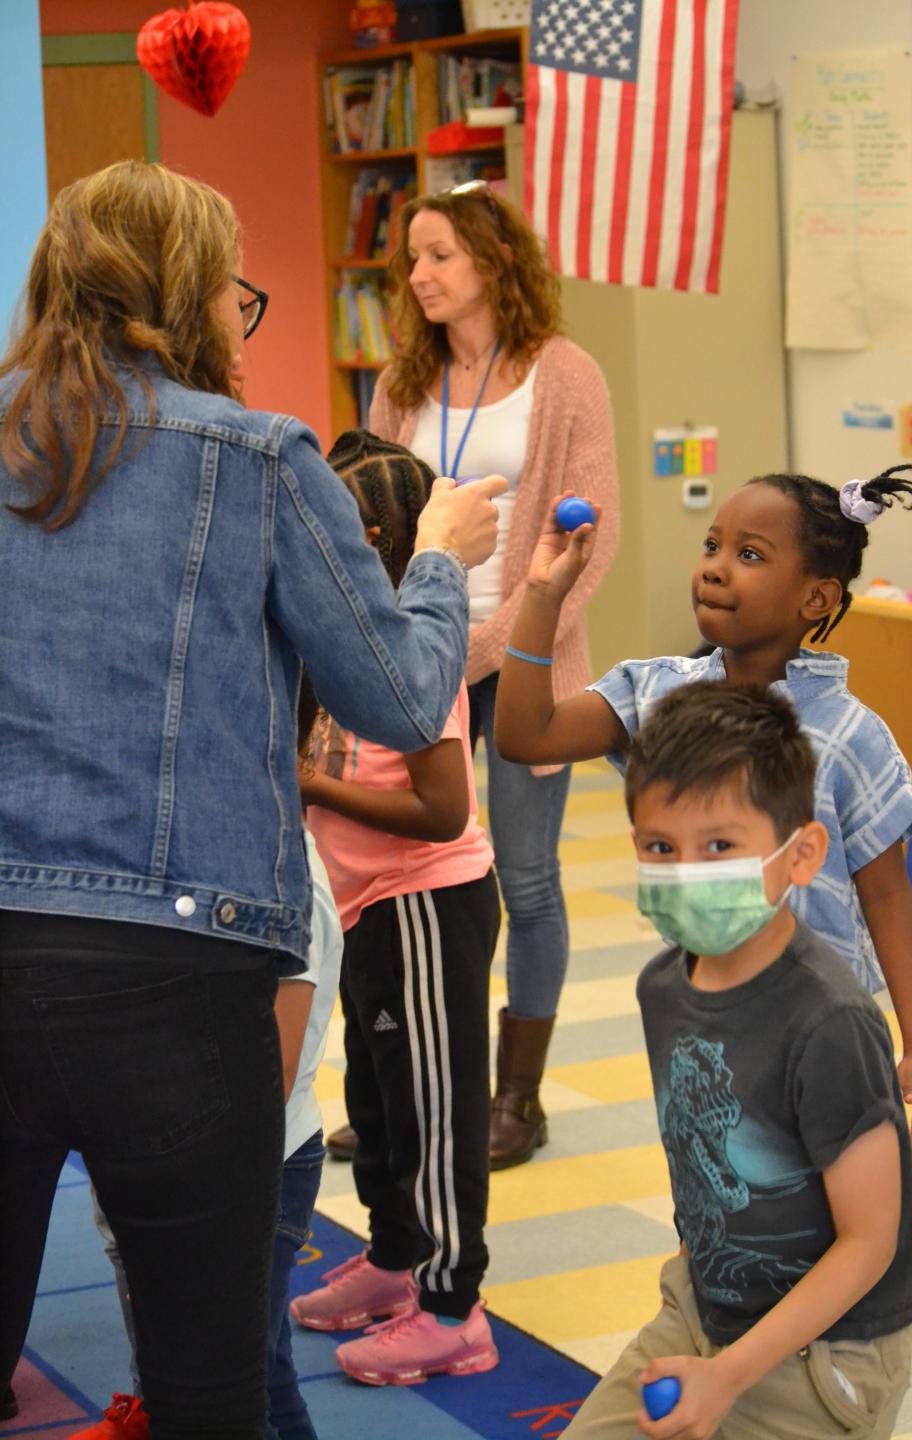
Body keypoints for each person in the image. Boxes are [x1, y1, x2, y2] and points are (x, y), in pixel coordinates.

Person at [0, 160, 506, 1440]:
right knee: (209, 1385)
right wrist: (438, 564)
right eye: (238, 295)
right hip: (184, 968)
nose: (242, 319)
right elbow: (397, 698)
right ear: (183, 295)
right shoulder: (260, 457)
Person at [494, 467, 912, 1158]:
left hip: (823, 1026)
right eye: (712, 547)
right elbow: (527, 735)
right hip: (703, 1016)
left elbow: (886, 896)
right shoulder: (660, 693)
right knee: (719, 1199)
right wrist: (541, 599)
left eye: (750, 555)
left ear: (816, 597)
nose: (715, 569)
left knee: (833, 1201)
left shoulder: (852, 735)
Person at [566, 681, 912, 1440]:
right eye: (661, 847)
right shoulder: (662, 987)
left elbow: (870, 1240)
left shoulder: (830, 1023)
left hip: (829, 1358)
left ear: (802, 855)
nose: (687, 870)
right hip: (703, 1314)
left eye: (720, 846)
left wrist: (730, 1375)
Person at [351, 179, 620, 1172]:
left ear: (495, 262)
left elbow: (591, 535)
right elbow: (368, 513)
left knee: (525, 875)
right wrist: (406, 640)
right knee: (404, 876)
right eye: (411, 260)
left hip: (524, 667)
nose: (417, 276)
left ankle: (518, 1097)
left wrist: (489, 644)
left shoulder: (565, 374)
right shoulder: (401, 380)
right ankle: (406, 1074)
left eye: (438, 256)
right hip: (415, 657)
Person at [69, 682, 344, 1440]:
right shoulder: (189, 852)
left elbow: (269, 1078)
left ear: (299, 750)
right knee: (165, 1357)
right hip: (162, 1154)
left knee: (250, 1371)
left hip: (252, 1171)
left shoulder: (292, 881)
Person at [291, 429, 501, 1385]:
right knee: (377, 1103)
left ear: (370, 536)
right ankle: (390, 1261)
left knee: (434, 1114)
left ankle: (454, 1306)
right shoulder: (344, 642)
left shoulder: (418, 651)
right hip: (366, 909)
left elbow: (442, 806)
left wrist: (313, 787)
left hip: (426, 905)